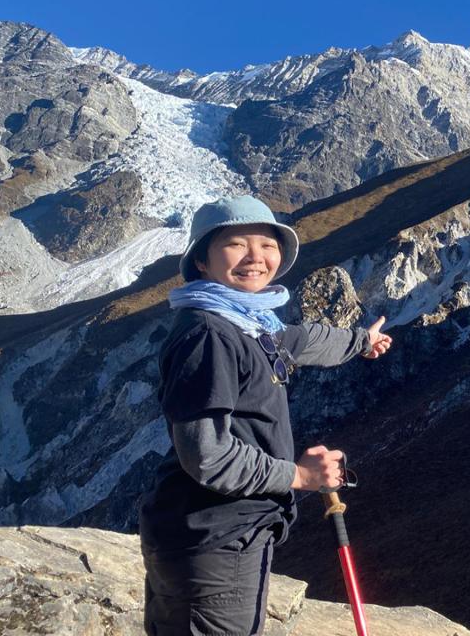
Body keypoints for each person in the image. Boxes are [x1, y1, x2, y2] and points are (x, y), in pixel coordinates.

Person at [138, 194, 393, 635]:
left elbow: (301, 341)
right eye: (236, 244)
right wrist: (300, 477)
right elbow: (208, 455)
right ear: (201, 260)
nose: (257, 257)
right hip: (213, 536)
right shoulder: (210, 335)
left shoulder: (249, 324)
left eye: (269, 244)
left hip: (208, 530)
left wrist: (359, 342)